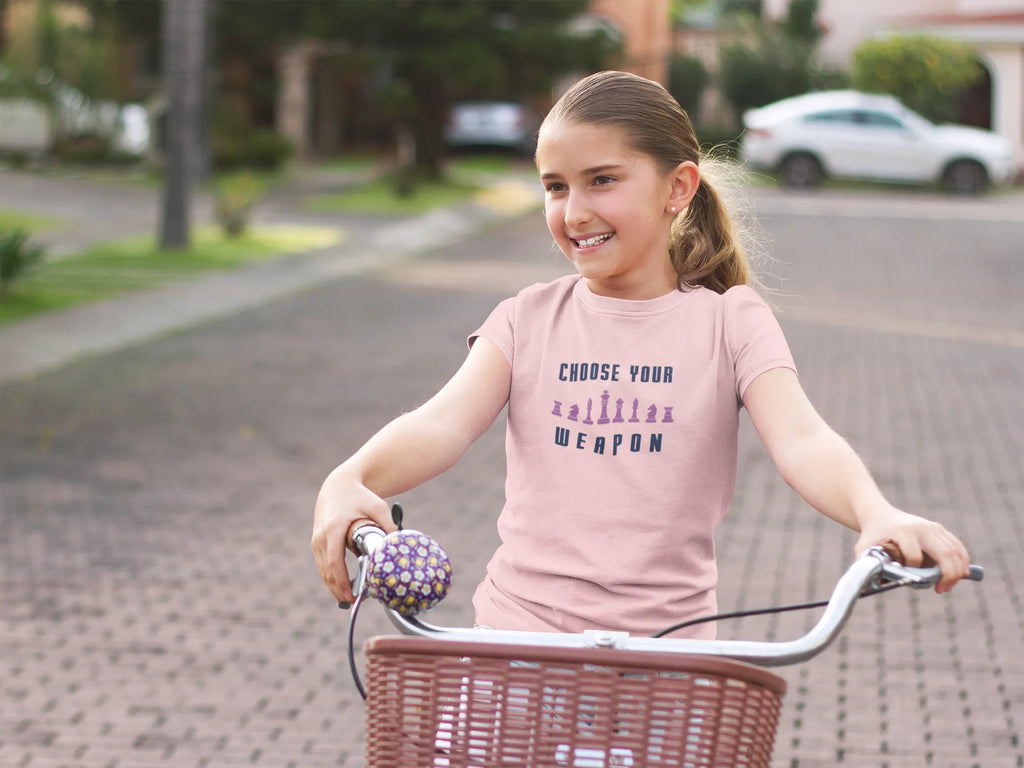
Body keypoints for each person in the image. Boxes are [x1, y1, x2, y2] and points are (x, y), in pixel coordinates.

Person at [312, 71, 971, 638]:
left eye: (601, 180)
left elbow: (803, 440)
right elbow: (440, 423)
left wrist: (876, 512)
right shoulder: (526, 318)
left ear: (677, 188)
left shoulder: (731, 321)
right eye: (555, 187)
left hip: (667, 658)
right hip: (514, 641)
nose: (574, 212)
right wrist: (353, 476)